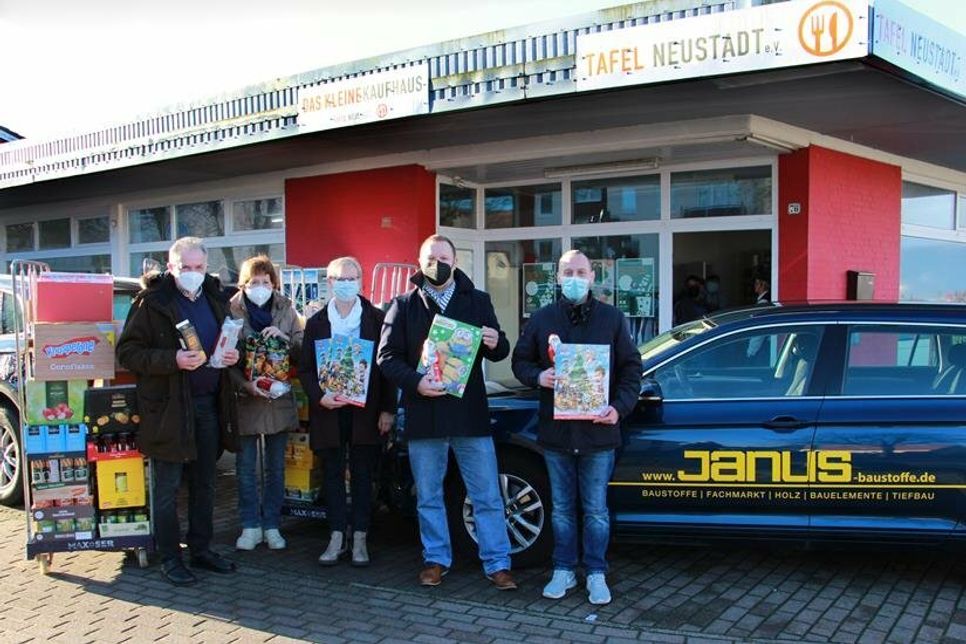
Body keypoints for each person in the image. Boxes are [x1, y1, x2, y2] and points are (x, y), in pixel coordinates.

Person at [376, 235, 516, 590]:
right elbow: (386, 358)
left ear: (455, 262)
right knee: (428, 495)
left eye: (442, 257)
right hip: (425, 415)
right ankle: (436, 559)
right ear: (419, 262)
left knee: (486, 494)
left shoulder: (477, 301)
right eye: (429, 257)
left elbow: (500, 350)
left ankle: (498, 563)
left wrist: (496, 341)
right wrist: (416, 382)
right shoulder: (403, 305)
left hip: (469, 416)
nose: (436, 263)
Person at [511, 249, 642, 605]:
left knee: (596, 510)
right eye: (567, 272)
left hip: (599, 432)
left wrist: (619, 408)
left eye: (581, 272)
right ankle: (564, 569)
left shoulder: (612, 319)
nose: (574, 278)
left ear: (592, 277)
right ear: (557, 277)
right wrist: (538, 376)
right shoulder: (542, 319)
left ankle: (596, 572)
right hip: (557, 434)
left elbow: (631, 368)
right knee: (562, 510)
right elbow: (520, 361)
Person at [117, 236, 241, 586]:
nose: (193, 273)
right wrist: (172, 359)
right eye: (185, 267)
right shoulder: (152, 302)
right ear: (171, 266)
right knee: (168, 486)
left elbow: (231, 342)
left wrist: (234, 355)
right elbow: (128, 353)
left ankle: (201, 549)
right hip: (169, 408)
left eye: (199, 267)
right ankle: (170, 557)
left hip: (209, 404)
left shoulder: (215, 298)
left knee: (205, 482)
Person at [298, 257, 397, 567]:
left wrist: (388, 409)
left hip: (366, 412)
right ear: (329, 282)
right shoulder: (316, 322)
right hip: (329, 410)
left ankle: (361, 538)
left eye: (351, 278)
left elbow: (387, 368)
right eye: (339, 279)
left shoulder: (377, 319)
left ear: (360, 281)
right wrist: (319, 397)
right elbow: (305, 369)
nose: (345, 284)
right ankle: (337, 535)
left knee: (363, 474)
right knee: (332, 474)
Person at [228, 255, 304, 552]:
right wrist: (244, 385)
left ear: (274, 284)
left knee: (275, 468)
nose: (260, 287)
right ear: (243, 285)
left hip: (278, 399)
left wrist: (284, 338)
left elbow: (302, 351)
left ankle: (272, 524)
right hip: (246, 399)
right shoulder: (231, 311)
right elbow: (224, 360)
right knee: (245, 468)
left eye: (265, 281)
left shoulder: (287, 309)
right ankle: (250, 525)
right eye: (253, 282)